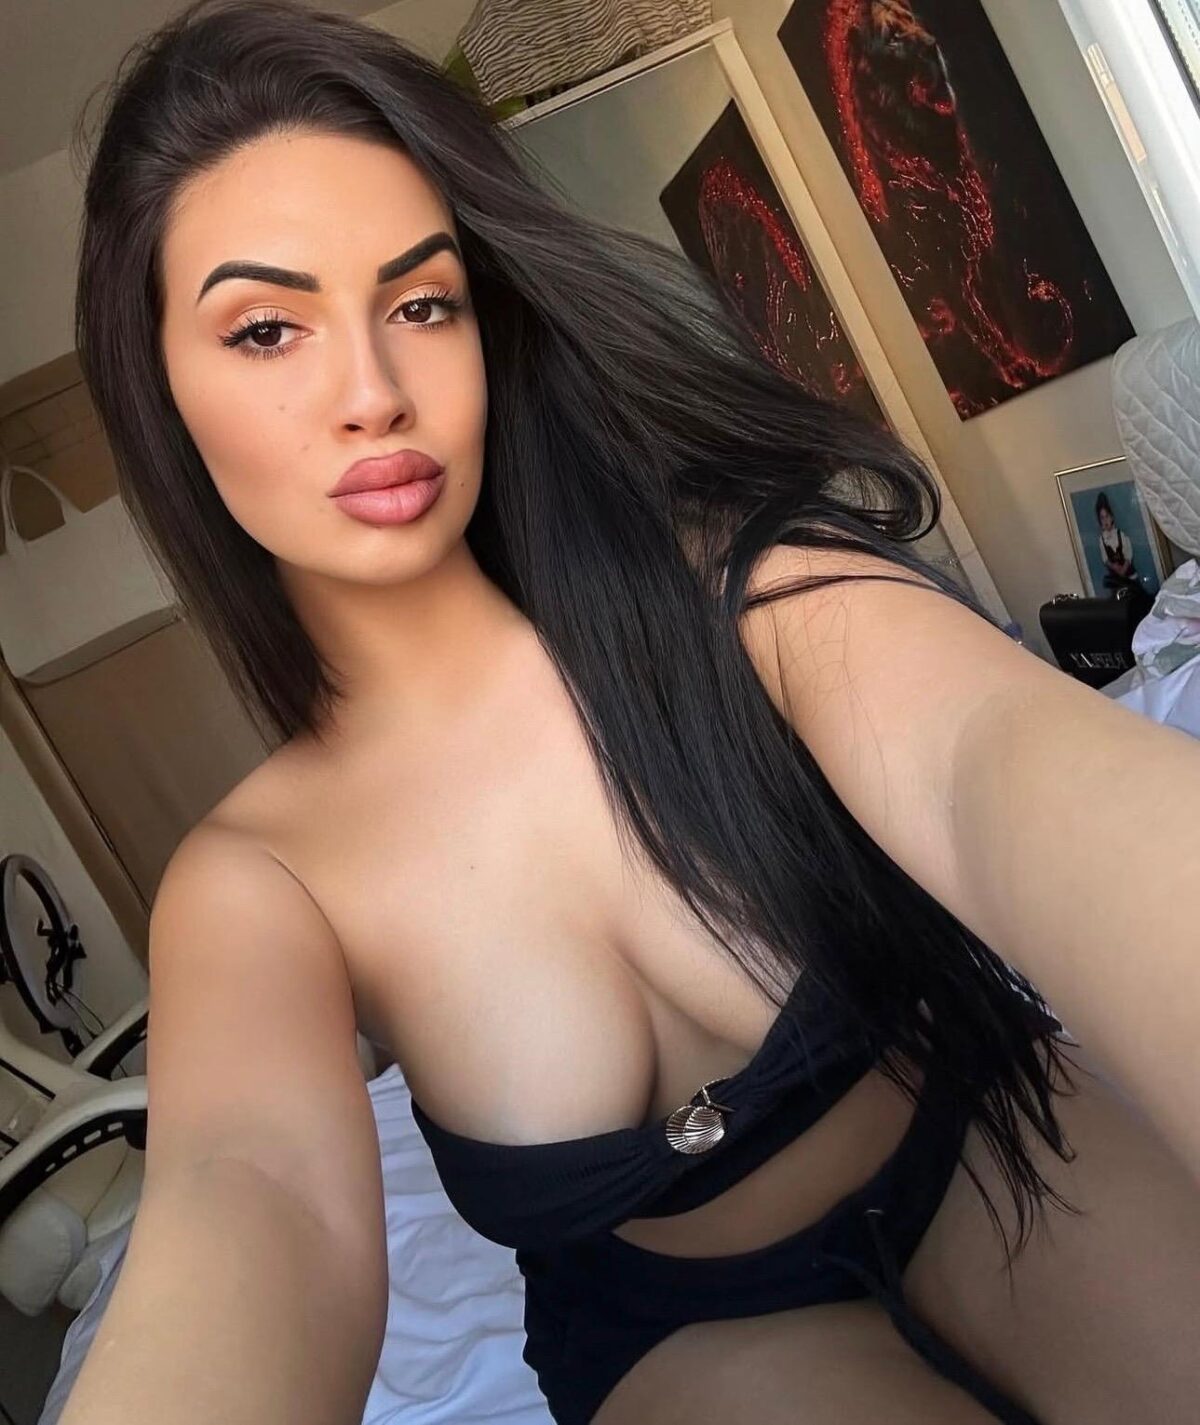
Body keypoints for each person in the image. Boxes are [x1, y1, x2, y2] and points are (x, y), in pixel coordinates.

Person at [59, 3, 1200, 1422]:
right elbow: (255, 1193)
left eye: (421, 304)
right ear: (163, 387)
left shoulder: (734, 588)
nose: (372, 393)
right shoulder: (257, 879)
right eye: (267, 328)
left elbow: (991, 762)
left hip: (973, 1129)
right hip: (675, 1328)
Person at [1095, 490, 1142, 590]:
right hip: (1117, 580)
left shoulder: (1121, 535)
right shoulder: (1102, 540)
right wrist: (1114, 566)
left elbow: (1128, 556)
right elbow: (1105, 559)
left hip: (1130, 576)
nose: (1105, 520)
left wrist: (1123, 569)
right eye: (1102, 518)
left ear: (1112, 517)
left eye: (1107, 516)